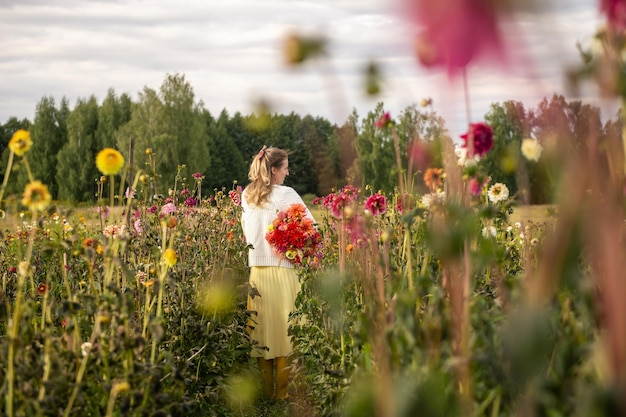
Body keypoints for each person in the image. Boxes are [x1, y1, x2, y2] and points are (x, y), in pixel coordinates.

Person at [241, 145, 315, 401]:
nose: (287, 172)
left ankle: (266, 395)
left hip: (257, 272)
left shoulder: (247, 194)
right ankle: (281, 396)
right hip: (283, 271)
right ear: (274, 170)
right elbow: (311, 229)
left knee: (262, 334)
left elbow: (246, 232)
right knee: (284, 334)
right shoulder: (286, 194)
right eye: (284, 168)